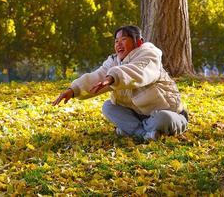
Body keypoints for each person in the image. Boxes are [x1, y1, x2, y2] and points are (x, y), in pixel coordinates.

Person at [52, 25, 188, 141]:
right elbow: (96, 76)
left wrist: (113, 77)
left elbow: (138, 71)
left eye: (123, 39)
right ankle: (144, 133)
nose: (118, 44)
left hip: (165, 112)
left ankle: (135, 130)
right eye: (116, 41)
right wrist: (73, 90)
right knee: (108, 107)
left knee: (162, 119)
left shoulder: (149, 55)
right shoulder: (113, 62)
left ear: (139, 42)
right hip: (136, 115)